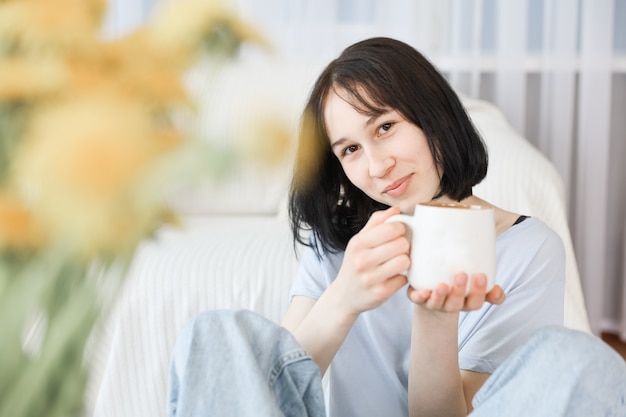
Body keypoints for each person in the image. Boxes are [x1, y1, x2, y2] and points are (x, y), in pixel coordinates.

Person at [167, 37, 626, 417]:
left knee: (582, 361)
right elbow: (268, 390)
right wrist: (345, 295)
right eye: (349, 150)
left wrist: (436, 317)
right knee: (214, 335)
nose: (377, 166)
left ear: (432, 115)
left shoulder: (529, 247)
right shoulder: (340, 244)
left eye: (385, 127)